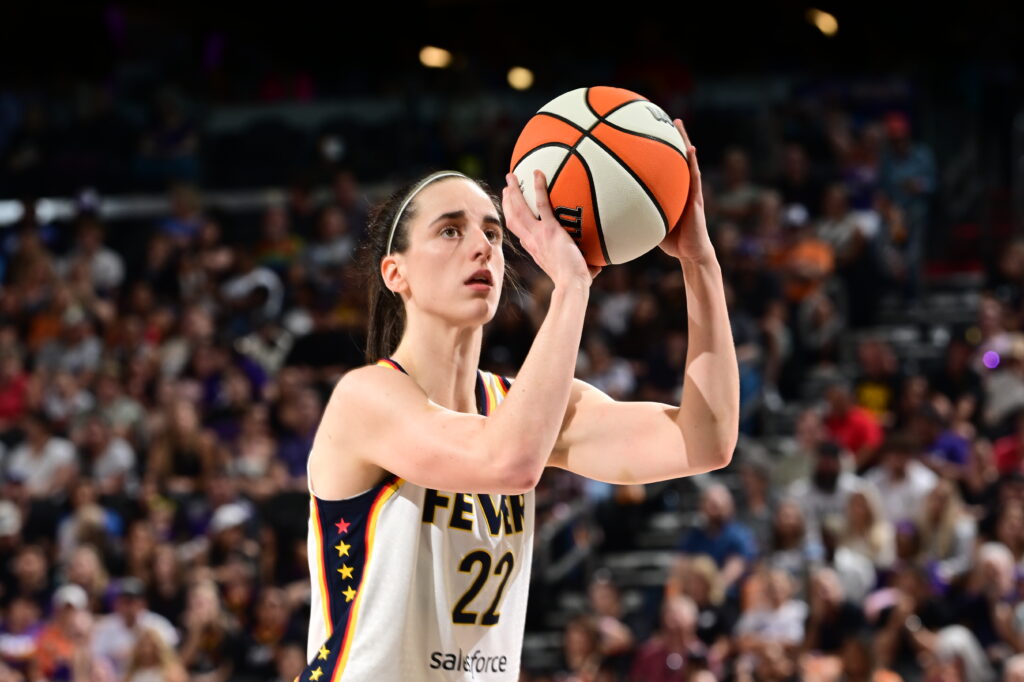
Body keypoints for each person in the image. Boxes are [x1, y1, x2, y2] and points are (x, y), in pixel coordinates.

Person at [298, 119, 739, 681]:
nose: (482, 245)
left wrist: (699, 263)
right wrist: (573, 287)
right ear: (395, 272)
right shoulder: (366, 399)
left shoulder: (521, 406)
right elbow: (508, 462)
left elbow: (707, 439)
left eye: (493, 231)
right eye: (451, 231)